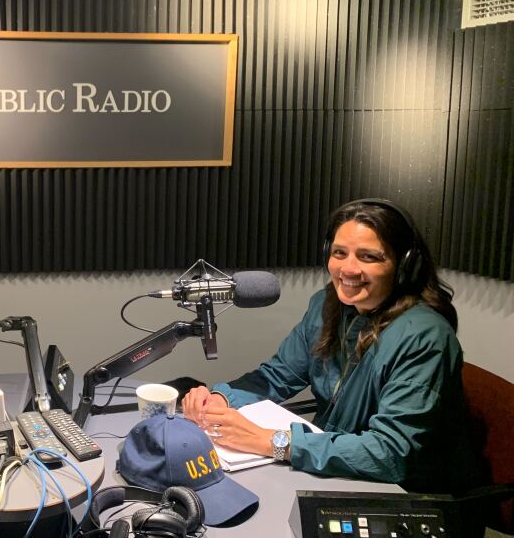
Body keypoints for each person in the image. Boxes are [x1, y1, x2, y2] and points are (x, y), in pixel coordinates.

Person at [182, 198, 481, 495]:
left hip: (404, 495)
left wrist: (273, 442)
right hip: (331, 470)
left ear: (403, 266)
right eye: (340, 253)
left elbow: (389, 453)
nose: (348, 269)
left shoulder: (424, 338)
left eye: (368, 257)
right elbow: (278, 375)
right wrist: (221, 399)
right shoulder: (327, 306)